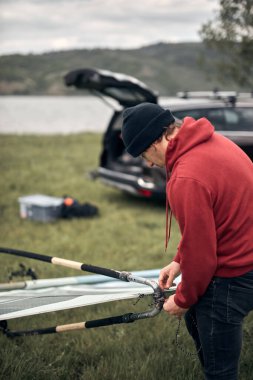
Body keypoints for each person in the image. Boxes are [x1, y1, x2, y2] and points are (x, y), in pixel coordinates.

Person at [121, 102, 253, 380]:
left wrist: (183, 299)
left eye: (145, 152)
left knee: (220, 371)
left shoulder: (187, 176)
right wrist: (178, 261)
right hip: (246, 258)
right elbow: (209, 226)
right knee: (198, 321)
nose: (147, 162)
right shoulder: (215, 142)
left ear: (160, 138)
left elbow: (202, 255)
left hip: (234, 274)